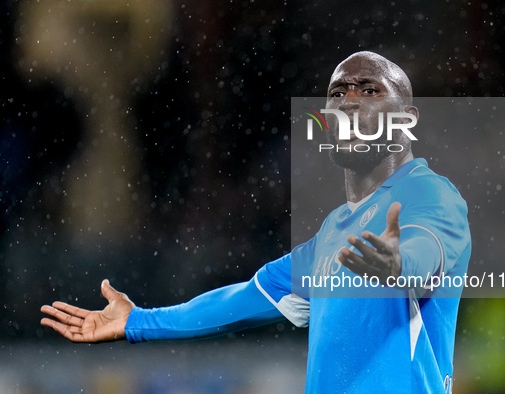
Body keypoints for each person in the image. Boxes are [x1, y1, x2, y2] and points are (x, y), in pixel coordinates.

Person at [41, 51, 471, 393]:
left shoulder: (428, 192)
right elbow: (245, 298)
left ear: (407, 120)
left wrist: (400, 265)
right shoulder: (333, 233)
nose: (348, 101)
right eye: (337, 93)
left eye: (368, 89)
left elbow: (428, 249)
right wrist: (139, 322)